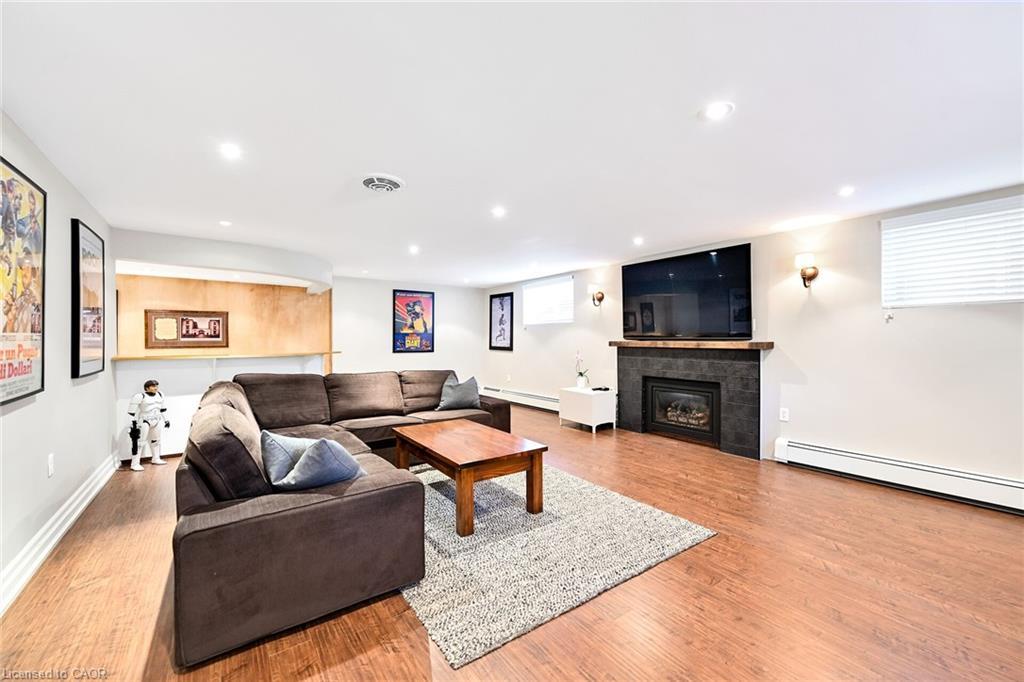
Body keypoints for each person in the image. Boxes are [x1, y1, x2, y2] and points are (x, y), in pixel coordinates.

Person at [127, 379, 170, 471]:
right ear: (147, 388)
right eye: (153, 386)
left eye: (156, 386)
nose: (156, 388)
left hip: (157, 419)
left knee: (156, 441)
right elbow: (131, 413)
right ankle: (135, 463)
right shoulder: (140, 396)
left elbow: (162, 409)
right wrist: (131, 426)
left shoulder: (160, 394)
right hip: (144, 420)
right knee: (140, 442)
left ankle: (156, 458)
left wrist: (166, 420)